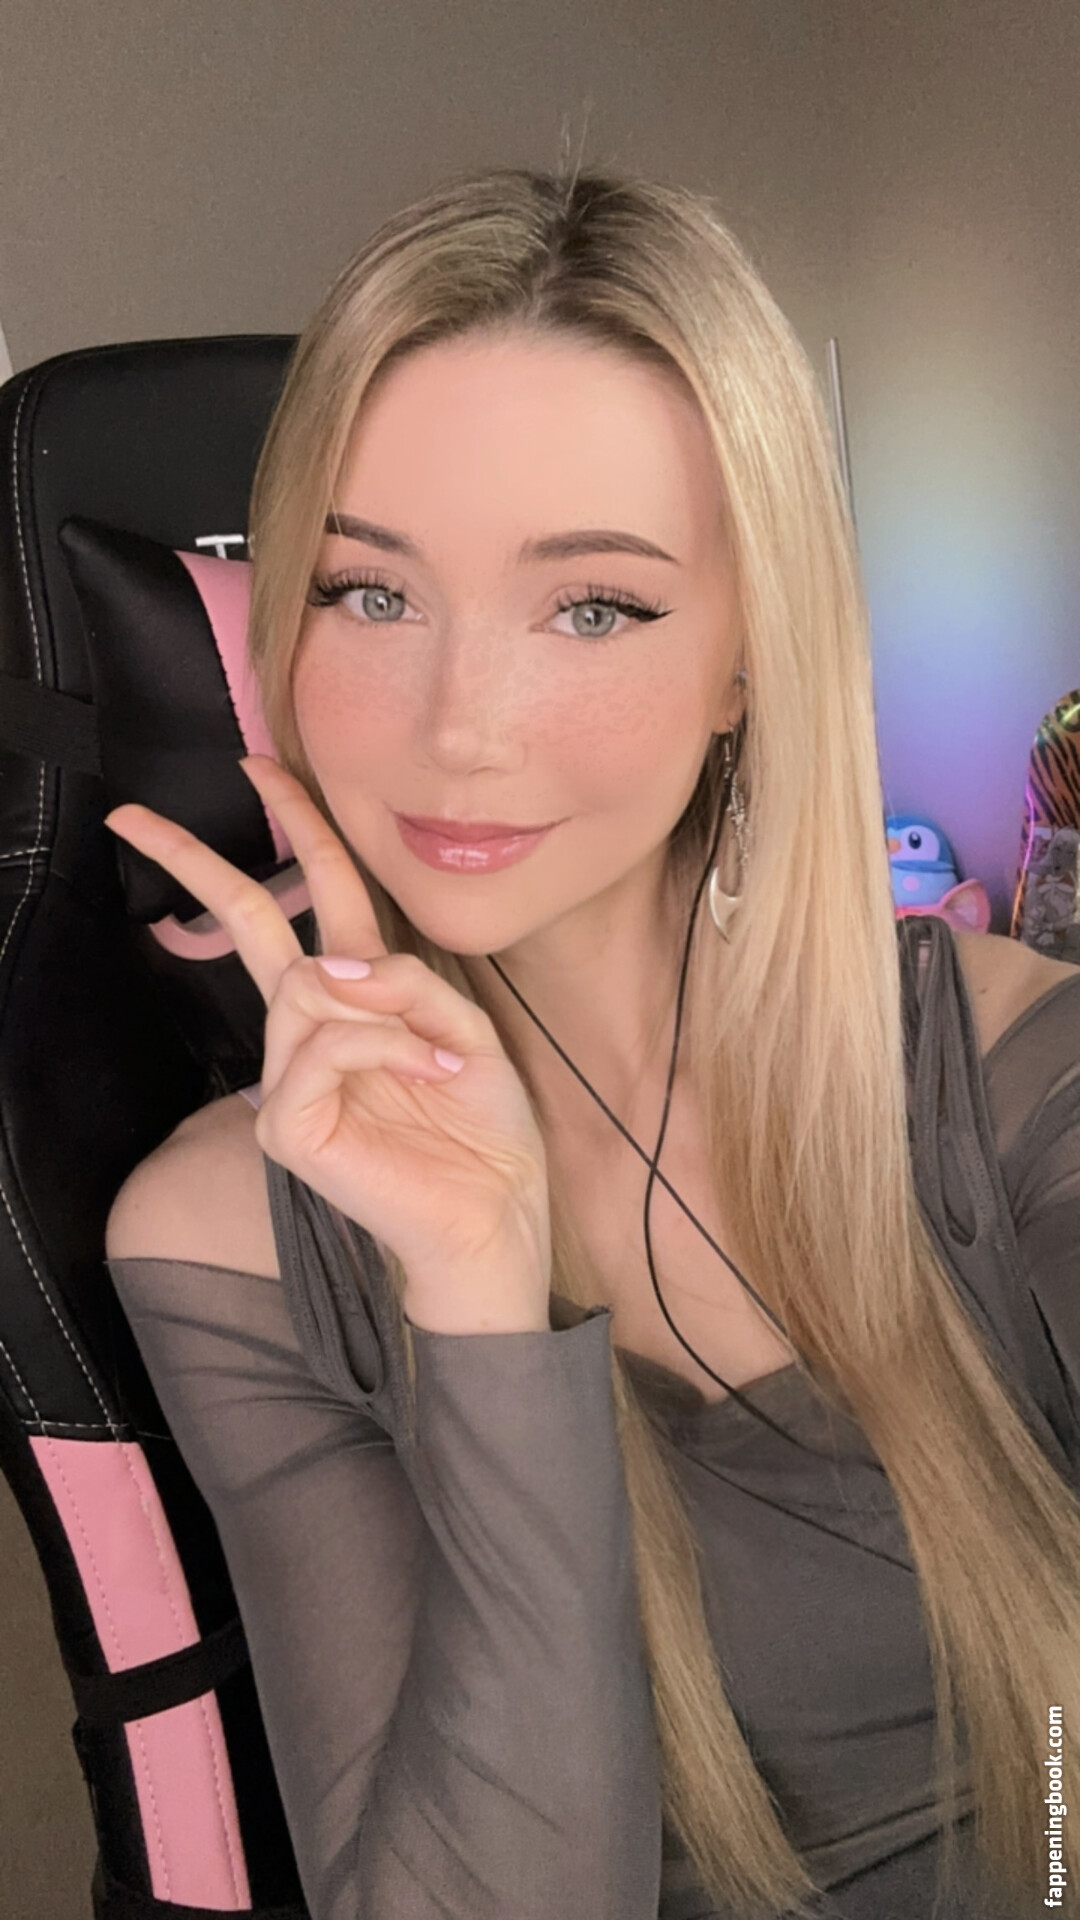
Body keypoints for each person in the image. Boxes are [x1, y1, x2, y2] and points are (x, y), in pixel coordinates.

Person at [102, 166, 1080, 1920]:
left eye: (596, 607)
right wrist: (481, 1305)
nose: (459, 729)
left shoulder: (1018, 1082)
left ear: (748, 660)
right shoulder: (223, 1233)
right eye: (368, 592)